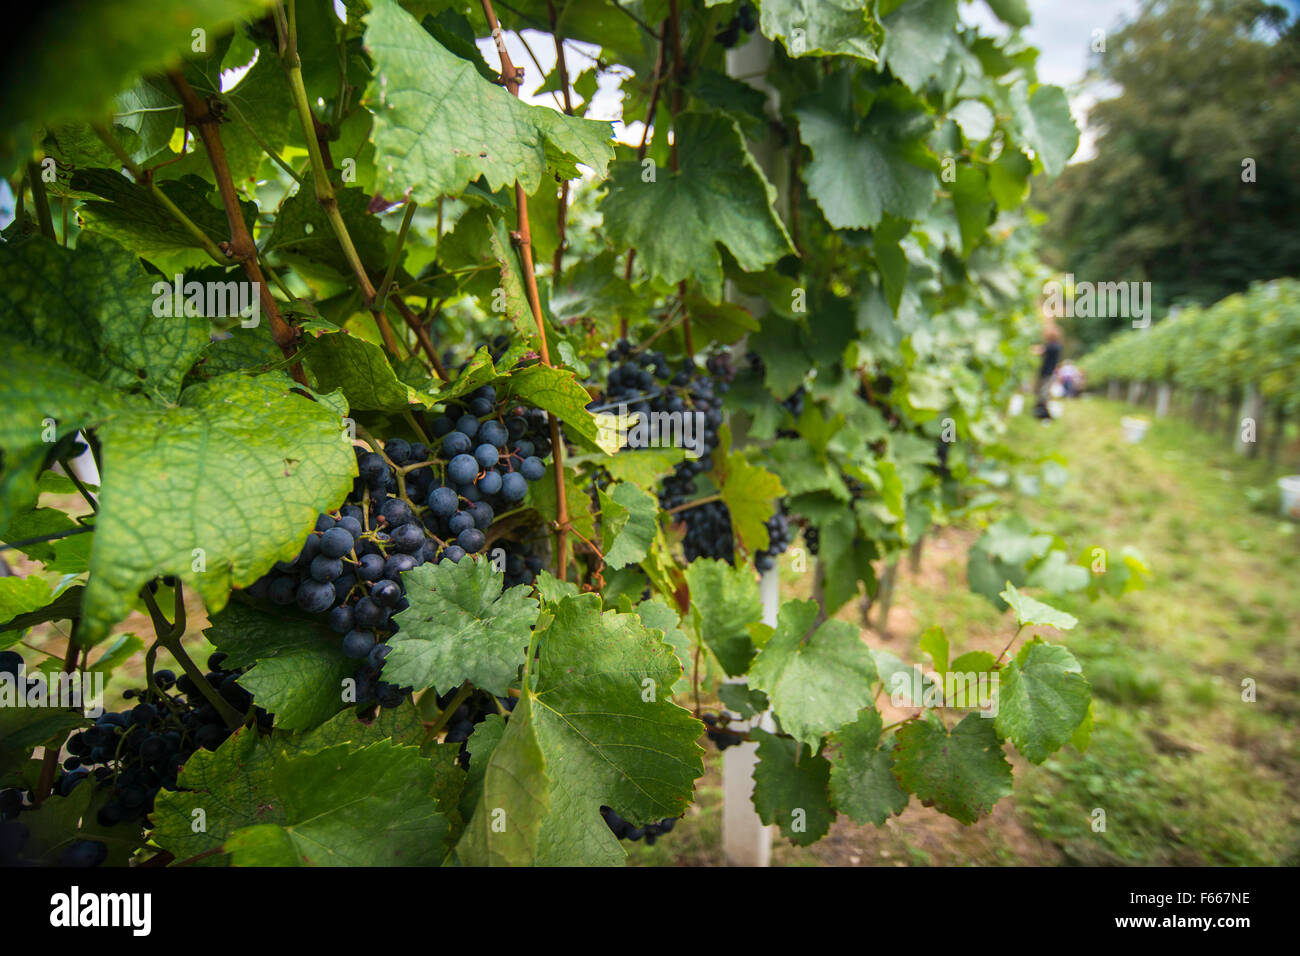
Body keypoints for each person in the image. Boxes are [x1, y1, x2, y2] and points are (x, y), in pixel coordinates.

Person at [1032, 316, 1063, 420]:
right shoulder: (1053, 346)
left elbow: (1040, 350)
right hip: (1047, 372)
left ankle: (1044, 414)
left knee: (1044, 393)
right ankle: (1041, 412)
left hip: (1048, 373)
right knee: (1043, 392)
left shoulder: (1053, 347)